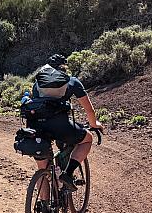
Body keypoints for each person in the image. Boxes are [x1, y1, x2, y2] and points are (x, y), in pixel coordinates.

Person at [26, 54, 103, 191]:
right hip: (59, 125)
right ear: (64, 68)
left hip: (34, 126)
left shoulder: (37, 84)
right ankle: (67, 174)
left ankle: (45, 207)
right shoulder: (71, 81)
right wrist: (94, 124)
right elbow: (89, 111)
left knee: (42, 169)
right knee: (87, 139)